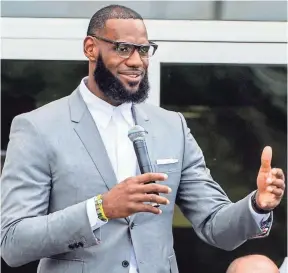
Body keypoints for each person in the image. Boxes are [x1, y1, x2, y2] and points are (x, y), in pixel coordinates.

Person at [1, 5, 286, 273]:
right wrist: (101, 209)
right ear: (91, 48)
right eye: (123, 49)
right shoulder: (38, 127)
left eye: (144, 50)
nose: (137, 61)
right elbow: (14, 242)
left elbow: (215, 225)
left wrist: (257, 205)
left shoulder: (171, 127)